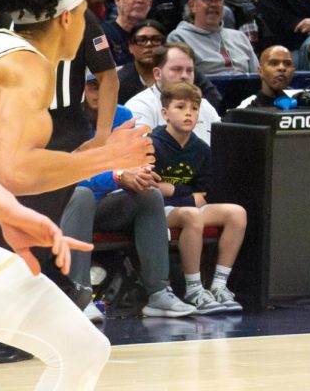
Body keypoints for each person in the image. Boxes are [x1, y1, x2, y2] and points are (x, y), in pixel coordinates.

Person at [0, 0, 153, 385]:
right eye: (85, 16)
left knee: (82, 348)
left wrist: (10, 212)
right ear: (67, 19)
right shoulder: (28, 68)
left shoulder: (1, 50)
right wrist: (107, 156)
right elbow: (17, 170)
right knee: (82, 350)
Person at [61, 72, 198, 319]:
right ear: (78, 89)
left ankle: (158, 293)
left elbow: (135, 160)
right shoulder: (63, 120)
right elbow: (65, 175)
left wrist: (143, 173)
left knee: (150, 195)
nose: (100, 93)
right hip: (61, 206)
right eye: (93, 87)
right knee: (80, 193)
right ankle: (79, 295)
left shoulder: (123, 116)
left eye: (106, 87)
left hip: (104, 205)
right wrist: (117, 175)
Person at [151, 82, 246, 313]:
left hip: (186, 206)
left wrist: (173, 190)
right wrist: (184, 194)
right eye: (180, 107)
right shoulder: (152, 143)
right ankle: (194, 289)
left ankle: (219, 285)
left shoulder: (201, 149)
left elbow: (204, 194)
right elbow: (151, 188)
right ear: (165, 113)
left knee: (237, 213)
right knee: (192, 214)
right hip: (156, 210)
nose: (188, 113)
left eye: (194, 108)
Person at [124, 43, 218, 143]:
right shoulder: (139, 106)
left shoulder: (205, 106)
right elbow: (141, 150)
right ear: (157, 74)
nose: (184, 76)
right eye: (177, 69)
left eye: (190, 70)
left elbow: (223, 144)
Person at [168, 0, 258, 77]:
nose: (214, 4)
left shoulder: (240, 37)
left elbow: (257, 76)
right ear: (192, 5)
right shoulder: (179, 38)